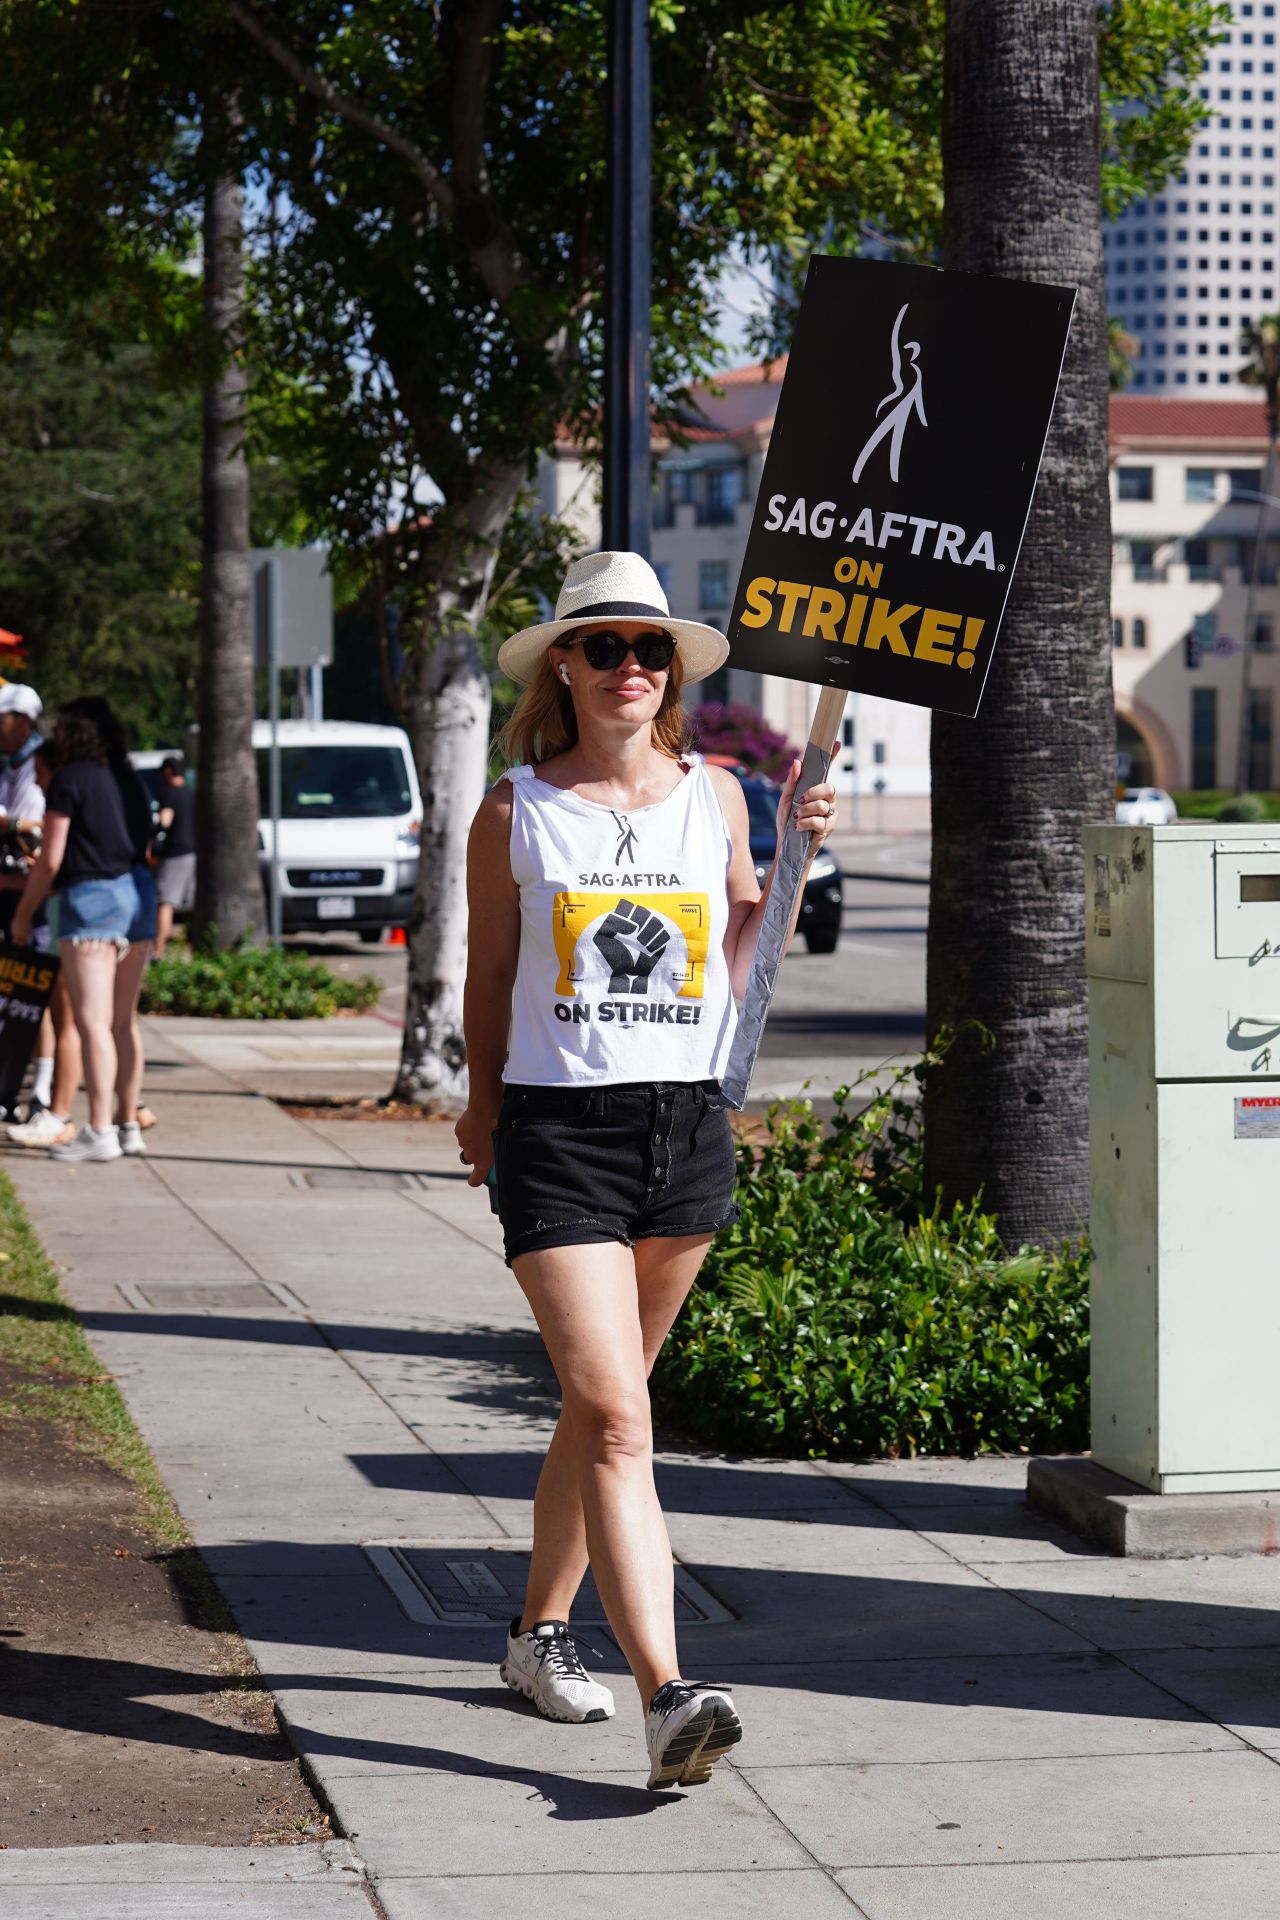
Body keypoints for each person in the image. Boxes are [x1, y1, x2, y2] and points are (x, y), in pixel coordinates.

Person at [455, 552, 837, 1792]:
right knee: (621, 1415)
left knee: (596, 1407)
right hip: (559, 1132)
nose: (631, 667)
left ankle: (532, 1635)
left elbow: (741, 949)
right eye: (606, 645)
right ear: (560, 662)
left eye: (651, 649)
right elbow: (490, 977)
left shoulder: (714, 795)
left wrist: (791, 856)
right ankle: (671, 1696)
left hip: (683, 1130)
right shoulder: (516, 809)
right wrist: (480, 1107)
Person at [11, 696, 156, 1163]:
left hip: (91, 901)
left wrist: (22, 914)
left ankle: (97, 1131)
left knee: (91, 1022)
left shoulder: (70, 779)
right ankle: (127, 1123)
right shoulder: (128, 779)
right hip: (138, 895)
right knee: (122, 1023)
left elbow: (50, 859)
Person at [6, 736, 80, 1148]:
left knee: (67, 1016)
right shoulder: (90, 790)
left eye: (39, 771)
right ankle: (56, 1101)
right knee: (63, 1014)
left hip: (60, 915)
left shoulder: (64, 796)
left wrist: (22, 911)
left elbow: (52, 863)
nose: (35, 779)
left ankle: (56, 1108)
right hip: (64, 913)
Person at [0, 683, 54, 1119]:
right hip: (7, 890)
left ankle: (43, 1091)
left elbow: (41, 831)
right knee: (11, 996)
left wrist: (13, 824)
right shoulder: (8, 763)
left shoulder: (41, 765)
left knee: (38, 998)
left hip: (31, 898)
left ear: (22, 720)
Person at [153, 755, 195, 955]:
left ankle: (159, 948)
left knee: (166, 901)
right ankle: (190, 944)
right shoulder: (190, 794)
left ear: (168, 771)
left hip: (175, 853)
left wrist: (151, 834)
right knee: (189, 903)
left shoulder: (169, 794)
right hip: (193, 852)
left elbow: (164, 822)